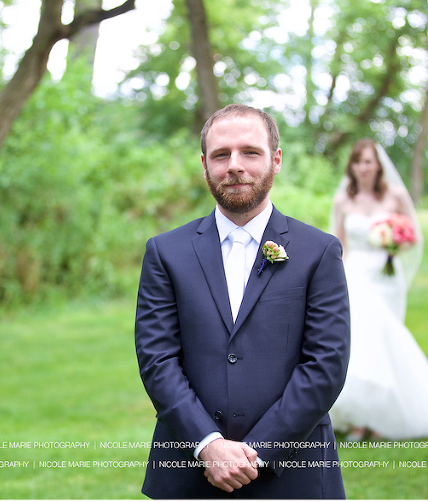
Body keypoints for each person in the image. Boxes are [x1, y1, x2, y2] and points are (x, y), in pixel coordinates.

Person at [134, 104, 350, 498]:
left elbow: (326, 364)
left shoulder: (318, 252)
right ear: (205, 165)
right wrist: (208, 446)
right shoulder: (166, 252)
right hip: (187, 472)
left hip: (292, 474)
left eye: (250, 152)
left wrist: (259, 451)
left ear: (276, 160)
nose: (234, 165)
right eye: (221, 154)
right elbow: (157, 359)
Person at [329, 138, 428, 441]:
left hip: (386, 276)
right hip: (356, 274)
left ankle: (382, 419)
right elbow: (339, 244)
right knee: (360, 341)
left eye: (368, 161)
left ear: (378, 165)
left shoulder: (395, 196)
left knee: (386, 340)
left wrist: (392, 241)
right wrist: (338, 277)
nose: (363, 167)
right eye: (358, 162)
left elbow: (414, 235)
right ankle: (359, 418)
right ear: (352, 166)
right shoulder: (343, 201)